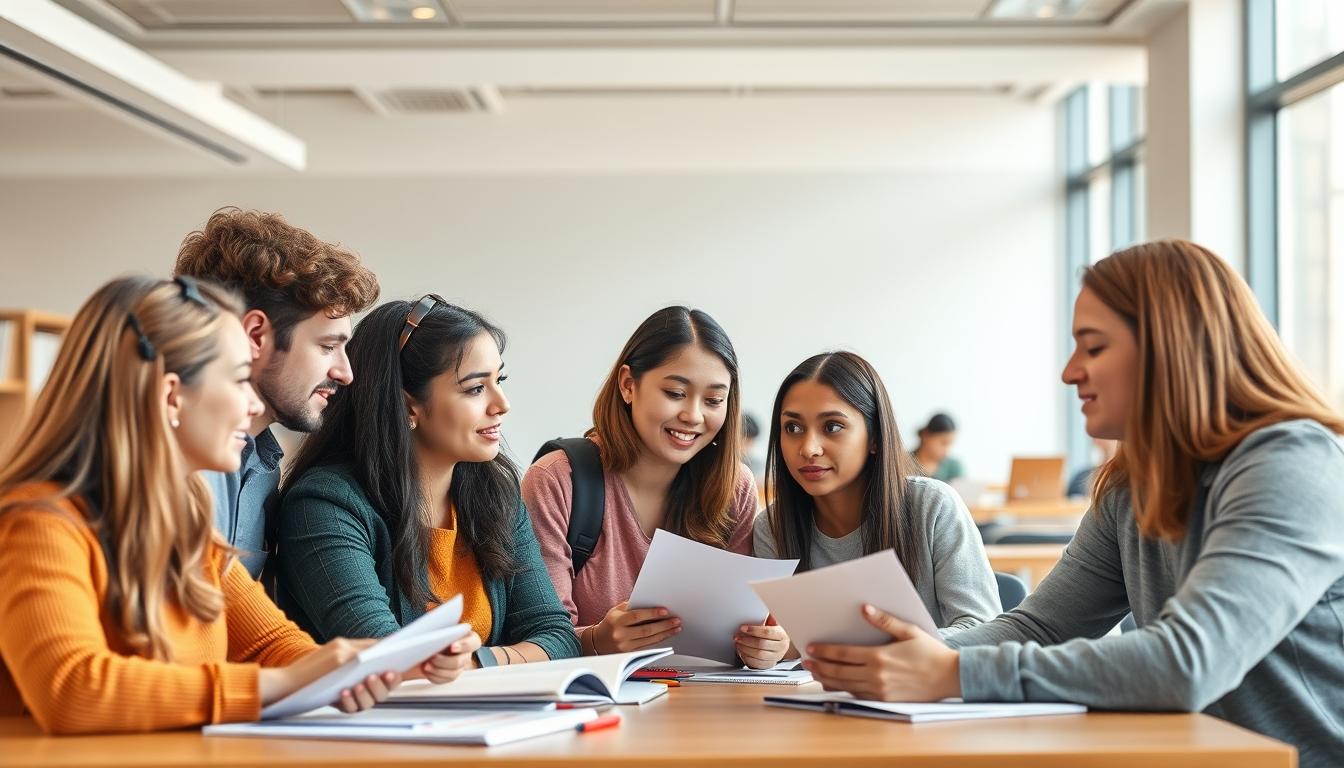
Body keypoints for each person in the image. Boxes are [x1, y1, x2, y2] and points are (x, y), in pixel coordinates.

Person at [801, 240, 1344, 768]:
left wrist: (952, 673)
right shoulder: (1129, 486)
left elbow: (1188, 662)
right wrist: (906, 655)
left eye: (1094, 346)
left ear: (1168, 346)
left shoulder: (1291, 462)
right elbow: (1037, 628)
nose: (1069, 371)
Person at [0, 276, 402, 734]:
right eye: (237, 379)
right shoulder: (37, 522)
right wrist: (279, 684)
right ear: (171, 395)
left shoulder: (188, 529)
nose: (252, 404)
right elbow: (70, 690)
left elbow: (273, 644)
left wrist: (346, 674)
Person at [277, 295, 579, 673]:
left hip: (485, 722)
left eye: (498, 380)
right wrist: (510, 658)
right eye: (474, 388)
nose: (502, 404)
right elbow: (383, 656)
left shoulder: (496, 497)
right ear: (407, 407)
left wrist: (480, 660)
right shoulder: (325, 506)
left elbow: (558, 636)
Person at [523, 306, 784, 668]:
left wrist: (764, 645)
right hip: (594, 706)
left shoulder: (733, 487)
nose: (694, 415)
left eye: (713, 400)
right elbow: (541, 635)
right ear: (628, 385)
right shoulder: (556, 480)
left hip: (701, 707)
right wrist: (599, 639)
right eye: (676, 393)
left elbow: (739, 630)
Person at [174, 207, 380, 580]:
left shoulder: (265, 467)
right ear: (255, 337)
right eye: (326, 346)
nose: (346, 373)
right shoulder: (167, 465)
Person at [753, 352, 1000, 635]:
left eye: (832, 427)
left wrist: (891, 652)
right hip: (819, 681)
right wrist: (771, 648)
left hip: (921, 678)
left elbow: (983, 629)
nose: (808, 448)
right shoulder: (772, 527)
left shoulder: (933, 506)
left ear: (874, 437)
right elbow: (787, 640)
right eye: (793, 427)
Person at [910, 413, 964, 482]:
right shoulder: (902, 462)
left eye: (950, 444)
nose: (947, 450)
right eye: (943, 443)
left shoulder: (955, 467)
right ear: (926, 435)